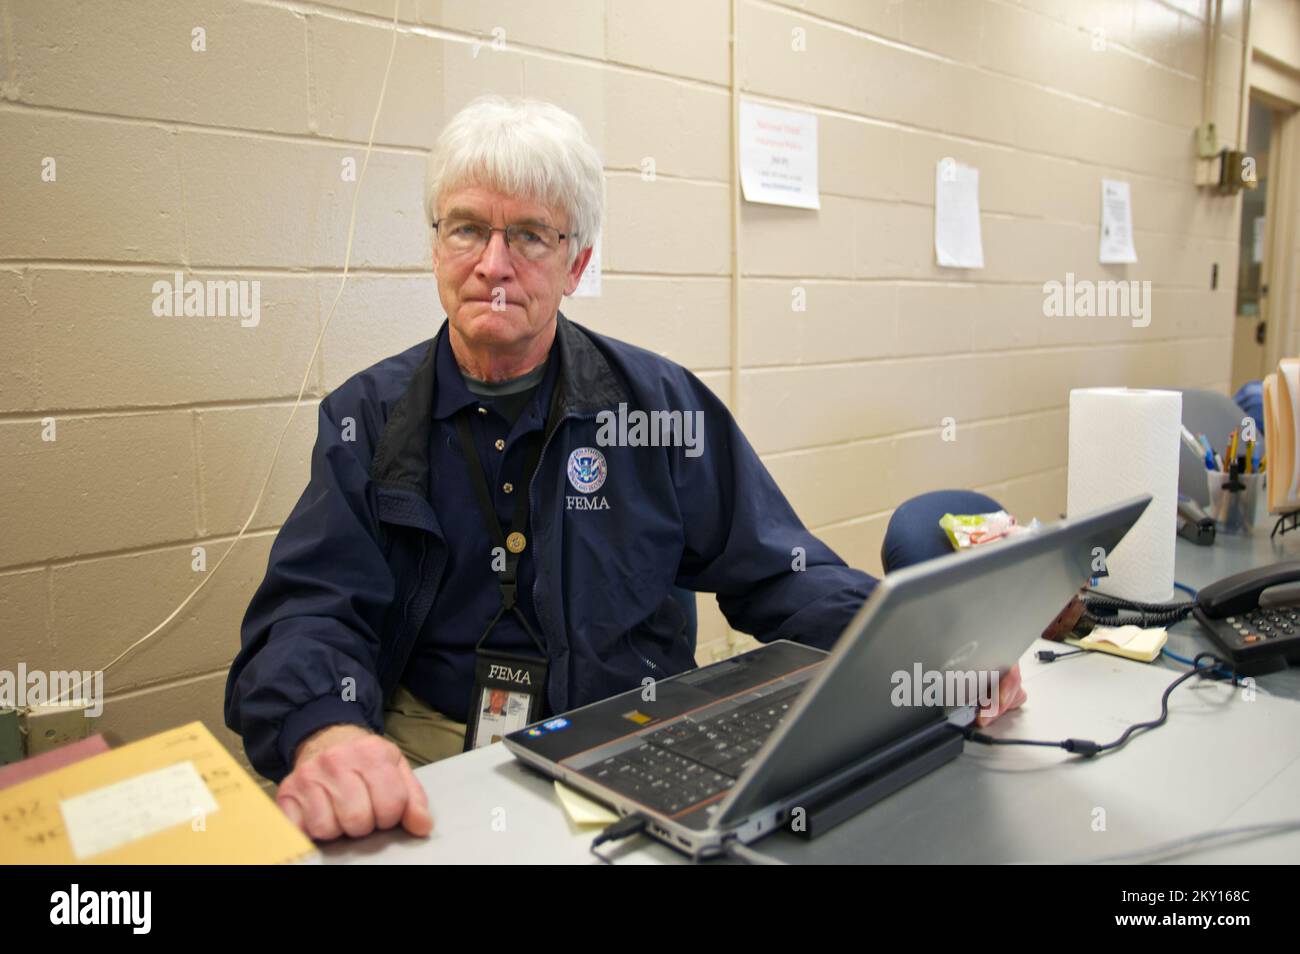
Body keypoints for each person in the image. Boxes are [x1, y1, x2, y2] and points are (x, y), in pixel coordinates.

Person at [225, 95, 1025, 842]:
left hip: (634, 735)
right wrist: (328, 730)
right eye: (467, 228)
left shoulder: (660, 405)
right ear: (437, 244)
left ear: (577, 265)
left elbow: (780, 571)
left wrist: (926, 646)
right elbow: (311, 612)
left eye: (532, 236)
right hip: (443, 751)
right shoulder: (368, 419)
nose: (493, 264)